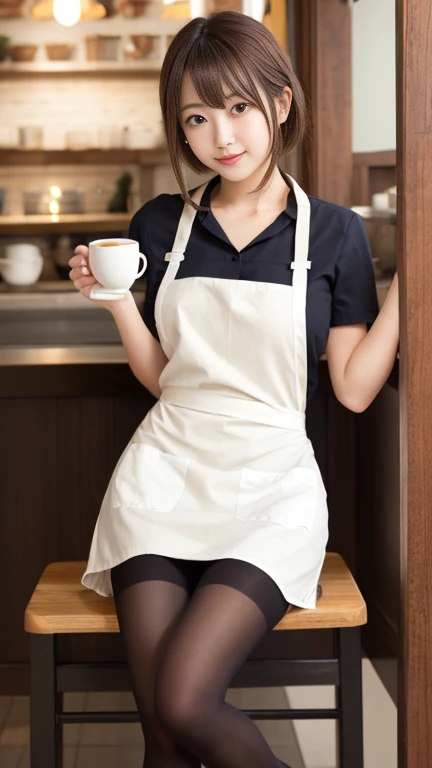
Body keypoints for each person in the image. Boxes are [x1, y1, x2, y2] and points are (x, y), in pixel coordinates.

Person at [68, 11, 399, 768]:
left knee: (183, 702)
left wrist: (417, 281)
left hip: (270, 491)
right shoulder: (158, 225)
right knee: (162, 727)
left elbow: (350, 390)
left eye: (240, 106)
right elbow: (161, 378)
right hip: (162, 479)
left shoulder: (336, 234)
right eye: (198, 116)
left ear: (281, 104)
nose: (222, 135)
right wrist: (117, 300)